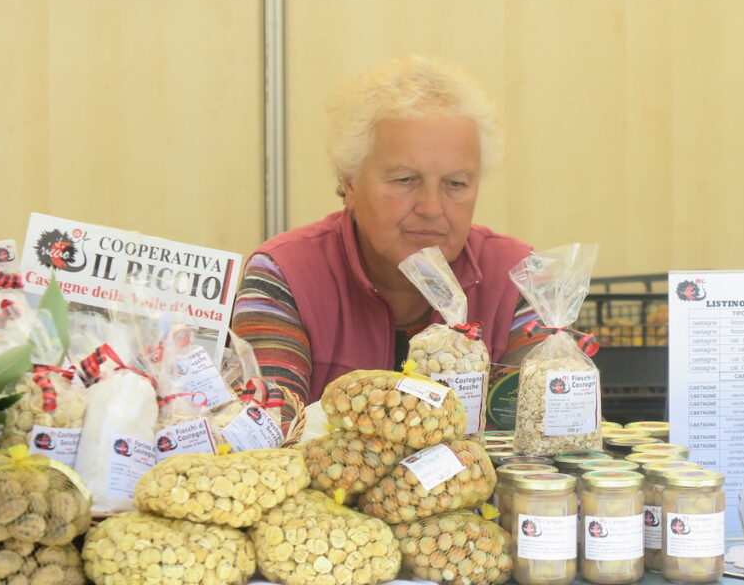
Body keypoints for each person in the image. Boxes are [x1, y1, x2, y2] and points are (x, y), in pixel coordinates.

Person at [230, 55, 542, 406]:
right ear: (349, 184)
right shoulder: (285, 274)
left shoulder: (517, 275)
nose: (431, 208)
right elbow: (268, 422)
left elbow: (549, 427)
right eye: (405, 180)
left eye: (455, 184)